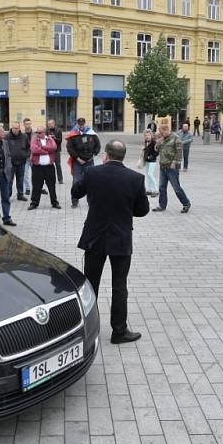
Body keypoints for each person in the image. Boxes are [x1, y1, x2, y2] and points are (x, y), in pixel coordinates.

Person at [72, 140, 149, 344]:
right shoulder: (135, 178)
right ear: (123, 156)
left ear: (106, 155)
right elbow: (143, 210)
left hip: (95, 237)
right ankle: (119, 331)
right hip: (121, 239)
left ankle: (86, 330)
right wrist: (124, 209)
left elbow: (75, 192)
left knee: (90, 284)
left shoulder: (92, 173)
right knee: (119, 286)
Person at [152, 125, 191, 213]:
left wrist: (174, 162)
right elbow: (156, 150)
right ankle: (162, 205)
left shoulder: (176, 138)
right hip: (163, 166)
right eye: (160, 133)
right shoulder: (162, 139)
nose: (161, 134)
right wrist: (158, 143)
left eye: (162, 132)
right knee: (162, 187)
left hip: (172, 168)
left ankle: (186, 203)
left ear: (167, 130)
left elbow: (179, 152)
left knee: (176, 188)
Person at [66, 117, 101, 208]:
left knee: (91, 182)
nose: (81, 126)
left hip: (89, 161)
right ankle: (74, 202)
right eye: (79, 124)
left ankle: (91, 202)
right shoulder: (73, 134)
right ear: (77, 125)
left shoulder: (91, 134)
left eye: (83, 124)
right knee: (76, 182)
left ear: (85, 124)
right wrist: (77, 158)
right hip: (78, 162)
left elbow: (98, 146)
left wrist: (93, 155)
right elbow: (70, 148)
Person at [29, 126, 61, 210]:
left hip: (49, 167)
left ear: (44, 132)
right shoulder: (34, 139)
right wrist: (46, 151)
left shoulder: (50, 139)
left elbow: (54, 147)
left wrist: (42, 148)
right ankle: (34, 203)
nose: (38, 134)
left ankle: (54, 202)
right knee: (36, 186)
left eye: (40, 132)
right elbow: (34, 150)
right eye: (37, 132)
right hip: (37, 167)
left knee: (51, 186)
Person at [7, 121, 29, 201]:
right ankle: (8, 195)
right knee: (9, 180)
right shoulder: (7, 137)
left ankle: (20, 195)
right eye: (14, 128)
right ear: (11, 128)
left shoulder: (24, 136)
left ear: (19, 128)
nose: (15, 130)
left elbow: (28, 147)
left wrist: (26, 155)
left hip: (21, 162)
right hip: (10, 163)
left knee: (20, 180)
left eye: (17, 128)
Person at [46, 119, 65, 184]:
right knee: (49, 166)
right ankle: (49, 179)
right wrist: (47, 138)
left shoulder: (59, 130)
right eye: (48, 124)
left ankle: (60, 179)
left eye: (51, 124)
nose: (49, 125)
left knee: (58, 165)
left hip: (56, 151)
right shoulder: (46, 130)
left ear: (54, 124)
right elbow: (44, 140)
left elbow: (60, 141)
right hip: (49, 151)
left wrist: (54, 138)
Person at [22, 118, 36, 196]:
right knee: (25, 174)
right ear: (24, 125)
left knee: (36, 174)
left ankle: (37, 187)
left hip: (34, 156)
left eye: (29, 123)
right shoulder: (21, 134)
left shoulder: (35, 133)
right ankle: (27, 188)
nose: (28, 125)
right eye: (27, 124)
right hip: (25, 157)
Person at [142, 129, 158, 196]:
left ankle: (156, 190)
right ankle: (150, 190)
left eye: (148, 135)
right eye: (146, 135)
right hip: (147, 160)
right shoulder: (146, 141)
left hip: (152, 161)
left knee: (150, 174)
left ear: (151, 135)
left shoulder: (154, 142)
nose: (147, 136)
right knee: (147, 175)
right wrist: (144, 149)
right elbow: (147, 150)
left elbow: (157, 152)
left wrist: (151, 157)